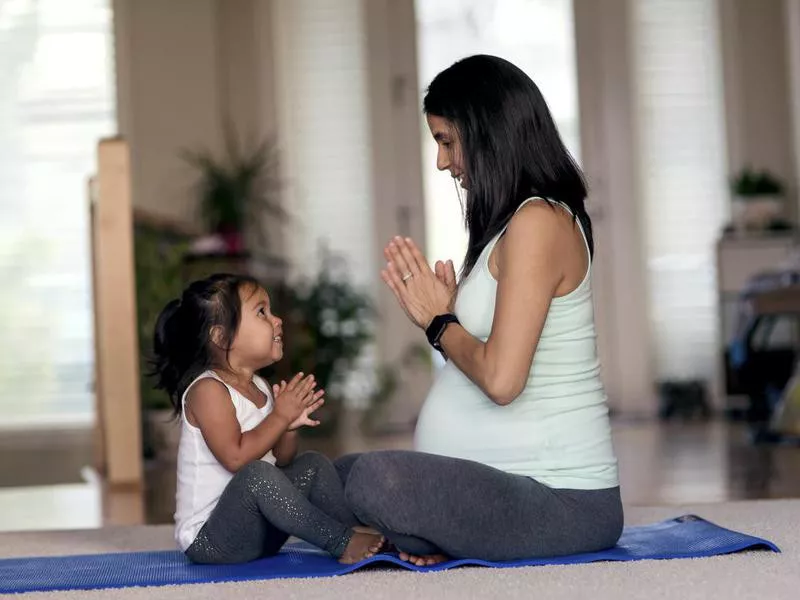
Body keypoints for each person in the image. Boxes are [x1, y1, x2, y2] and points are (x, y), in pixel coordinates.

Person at [339, 55, 623, 566]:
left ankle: (412, 530)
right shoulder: (513, 223)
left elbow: (501, 380)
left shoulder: (540, 221)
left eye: (447, 141)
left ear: (487, 132)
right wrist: (447, 321)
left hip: (559, 501)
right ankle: (422, 530)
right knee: (327, 478)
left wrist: (439, 323)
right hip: (503, 484)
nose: (443, 163)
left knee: (373, 481)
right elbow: (484, 364)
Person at [151, 273, 384, 564]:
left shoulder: (260, 387)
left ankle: (355, 532)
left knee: (312, 464)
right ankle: (341, 540)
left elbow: (283, 460)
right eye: (262, 312)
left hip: (259, 532)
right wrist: (278, 416)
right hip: (211, 541)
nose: (278, 320)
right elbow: (236, 459)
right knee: (254, 476)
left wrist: (287, 426)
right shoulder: (207, 390)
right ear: (221, 336)